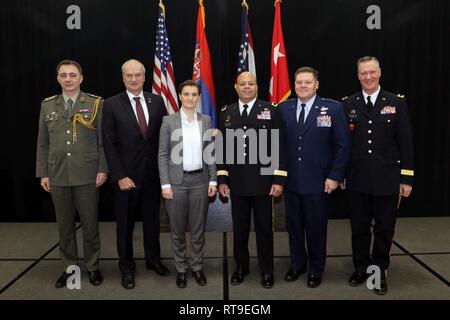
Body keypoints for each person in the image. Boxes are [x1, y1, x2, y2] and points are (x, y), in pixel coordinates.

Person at [342, 56, 414, 295]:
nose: (368, 77)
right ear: (358, 75)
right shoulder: (348, 103)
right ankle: (361, 267)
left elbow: (406, 143)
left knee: (384, 228)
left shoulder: (396, 102)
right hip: (357, 178)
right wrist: (341, 174)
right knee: (359, 228)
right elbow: (343, 144)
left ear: (380, 73)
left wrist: (406, 178)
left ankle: (378, 270)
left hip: (388, 178)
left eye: (372, 72)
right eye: (363, 73)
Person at [36, 59, 108, 288]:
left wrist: (102, 168)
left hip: (87, 174)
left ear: (81, 78)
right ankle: (69, 267)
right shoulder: (48, 106)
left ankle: (93, 266)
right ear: (58, 78)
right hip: (57, 174)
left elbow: (102, 141)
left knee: (90, 225)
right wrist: (43, 173)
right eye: (64, 75)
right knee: (64, 226)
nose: (68, 79)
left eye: (72, 75)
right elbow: (42, 143)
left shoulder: (96, 103)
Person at [279, 67, 350, 288]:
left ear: (316, 84)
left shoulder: (333, 108)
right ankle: (298, 264)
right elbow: (278, 144)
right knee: (294, 226)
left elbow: (343, 145)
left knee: (316, 227)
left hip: (319, 181)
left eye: (307, 82)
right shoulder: (284, 108)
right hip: (291, 181)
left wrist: (335, 176)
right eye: (299, 82)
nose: (302, 86)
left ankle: (316, 269)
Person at [102, 59, 169, 289]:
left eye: (138, 75)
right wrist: (119, 175)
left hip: (152, 176)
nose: (133, 79)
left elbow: (163, 139)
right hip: (126, 178)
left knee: (152, 222)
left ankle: (153, 260)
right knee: (125, 225)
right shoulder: (111, 105)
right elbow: (109, 143)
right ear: (123, 77)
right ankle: (127, 267)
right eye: (129, 75)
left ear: (143, 76)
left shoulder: (157, 101)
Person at [217, 71, 286, 289]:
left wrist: (278, 179)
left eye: (251, 83)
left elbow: (279, 147)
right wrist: (222, 179)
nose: (247, 87)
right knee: (240, 228)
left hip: (264, 182)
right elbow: (222, 149)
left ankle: (267, 270)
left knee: (265, 228)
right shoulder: (226, 113)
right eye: (242, 84)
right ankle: (241, 266)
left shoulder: (271, 111)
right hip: (237, 182)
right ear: (236, 88)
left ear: (257, 87)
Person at [158, 80, 217, 288]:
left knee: (198, 229)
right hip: (176, 184)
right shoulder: (168, 121)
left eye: (194, 94)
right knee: (177, 230)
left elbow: (210, 153)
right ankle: (181, 269)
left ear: (199, 97)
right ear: (180, 96)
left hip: (200, 182)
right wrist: (165, 184)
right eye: (186, 94)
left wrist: (213, 179)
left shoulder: (207, 121)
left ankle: (197, 267)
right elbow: (163, 154)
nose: (190, 98)